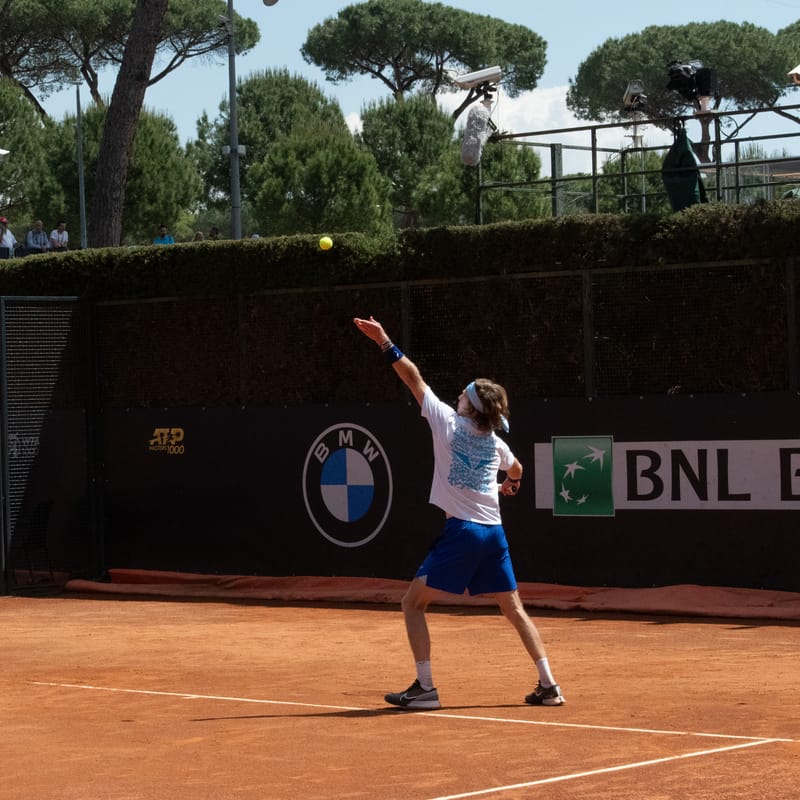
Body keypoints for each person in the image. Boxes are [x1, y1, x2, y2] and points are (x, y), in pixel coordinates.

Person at [353, 315, 565, 710]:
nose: (458, 397)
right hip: (494, 534)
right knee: (514, 609)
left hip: (464, 533)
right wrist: (511, 485)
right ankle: (549, 685)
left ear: (470, 407)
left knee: (412, 604)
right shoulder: (495, 442)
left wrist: (384, 342)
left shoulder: (447, 423)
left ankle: (426, 688)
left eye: (464, 395)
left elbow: (412, 378)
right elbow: (517, 469)